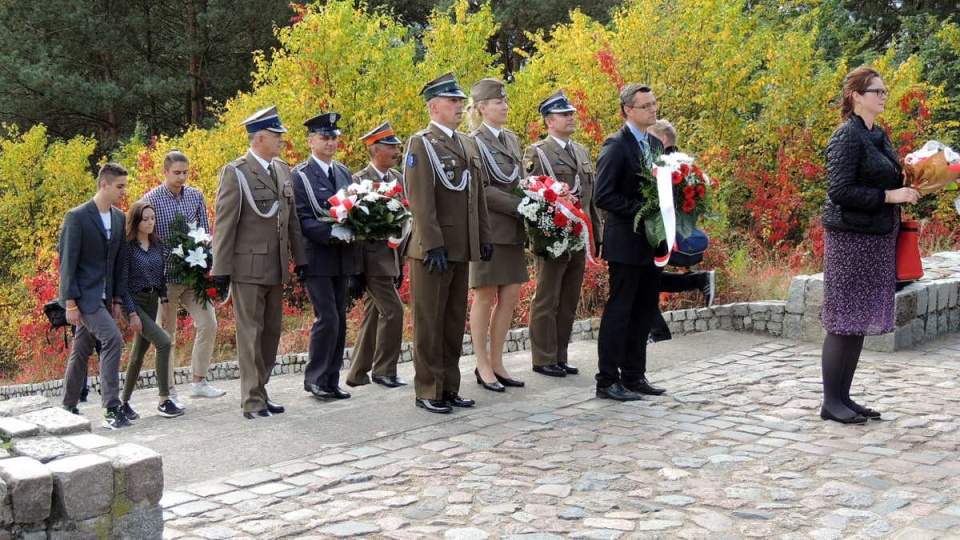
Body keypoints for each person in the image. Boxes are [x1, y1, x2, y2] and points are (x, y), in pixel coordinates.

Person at [819, 66, 919, 424]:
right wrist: (890, 195)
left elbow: (882, 176)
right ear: (856, 96)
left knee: (858, 320)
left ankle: (844, 397)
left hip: (876, 237)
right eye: (877, 91)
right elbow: (839, 191)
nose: (883, 96)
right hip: (850, 239)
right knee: (843, 319)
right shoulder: (846, 136)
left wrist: (911, 179)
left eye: (884, 91)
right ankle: (831, 401)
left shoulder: (878, 133)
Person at [211, 106, 307, 419]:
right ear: (260, 137)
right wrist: (220, 270)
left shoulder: (281, 169)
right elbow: (225, 224)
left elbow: (291, 220)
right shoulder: (236, 171)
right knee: (250, 334)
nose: (281, 139)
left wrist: (300, 258)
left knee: (271, 333)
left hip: (276, 265)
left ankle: (261, 390)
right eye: (277, 134)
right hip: (247, 267)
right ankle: (251, 400)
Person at [404, 72, 492, 414]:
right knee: (430, 322)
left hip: (461, 246)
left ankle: (449, 387)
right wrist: (432, 244)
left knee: (454, 320)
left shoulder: (467, 143)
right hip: (433, 250)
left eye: (460, 101)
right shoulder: (421, 143)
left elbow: (477, 197)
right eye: (452, 101)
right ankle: (429, 389)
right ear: (434, 106)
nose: (459, 106)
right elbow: (420, 199)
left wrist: (483, 236)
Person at [521, 90, 602, 379]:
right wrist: (542, 236)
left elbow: (590, 198)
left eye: (571, 113)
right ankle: (543, 358)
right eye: (564, 114)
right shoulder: (538, 152)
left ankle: (560, 355)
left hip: (579, 234)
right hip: (552, 236)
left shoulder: (580, 151)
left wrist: (596, 233)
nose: (571, 118)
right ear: (548, 120)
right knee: (547, 298)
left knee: (568, 298)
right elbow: (532, 195)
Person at [594, 83, 666, 401]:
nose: (653, 109)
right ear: (628, 110)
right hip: (625, 242)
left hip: (652, 242)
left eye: (654, 104)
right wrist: (643, 210)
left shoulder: (654, 143)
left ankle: (635, 376)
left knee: (646, 309)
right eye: (646, 106)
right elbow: (603, 195)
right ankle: (607, 380)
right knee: (620, 311)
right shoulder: (615, 146)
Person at [144, 150, 226, 403]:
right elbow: (147, 239)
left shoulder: (195, 195)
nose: (181, 177)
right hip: (166, 278)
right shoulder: (151, 200)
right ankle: (168, 391)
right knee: (166, 334)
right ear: (165, 172)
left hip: (193, 275)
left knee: (208, 323)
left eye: (185, 172)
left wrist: (205, 258)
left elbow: (204, 229)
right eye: (176, 173)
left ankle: (199, 380)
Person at [292, 112, 362, 401]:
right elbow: (301, 218)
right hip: (317, 257)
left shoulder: (344, 172)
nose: (331, 142)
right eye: (324, 137)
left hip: (342, 257)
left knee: (340, 320)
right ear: (311, 140)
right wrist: (332, 233)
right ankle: (315, 378)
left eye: (334, 137)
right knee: (328, 318)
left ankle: (331, 380)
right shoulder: (300, 175)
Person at [58, 163, 132, 429]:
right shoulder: (77, 217)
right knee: (113, 339)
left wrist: (116, 300)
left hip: (105, 297)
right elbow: (67, 263)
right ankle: (112, 409)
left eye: (125, 186)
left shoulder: (119, 218)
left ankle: (67, 405)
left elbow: (119, 263)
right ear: (104, 185)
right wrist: (70, 304)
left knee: (81, 350)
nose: (124, 191)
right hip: (84, 297)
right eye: (120, 186)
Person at [467, 78, 527, 393]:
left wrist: (538, 197)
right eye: (497, 102)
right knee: (485, 295)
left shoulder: (511, 140)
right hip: (489, 230)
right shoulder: (473, 141)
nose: (504, 106)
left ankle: (497, 361)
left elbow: (518, 178)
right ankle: (481, 364)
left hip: (513, 230)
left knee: (510, 296)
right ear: (481, 107)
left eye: (505, 101)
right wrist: (522, 205)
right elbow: (481, 189)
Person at [345, 121, 408, 389]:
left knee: (373, 315)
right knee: (394, 311)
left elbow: (405, 222)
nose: (396, 151)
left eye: (396, 146)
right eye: (391, 146)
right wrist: (356, 271)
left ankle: (357, 373)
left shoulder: (399, 178)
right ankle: (384, 371)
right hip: (369, 262)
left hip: (391, 260)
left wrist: (401, 262)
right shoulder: (359, 181)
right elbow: (354, 229)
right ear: (375, 149)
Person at [645, 119, 715, 343]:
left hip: (656, 231)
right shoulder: (685, 165)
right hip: (665, 230)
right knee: (649, 279)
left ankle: (659, 333)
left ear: (662, 139)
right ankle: (698, 280)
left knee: (642, 282)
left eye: (650, 137)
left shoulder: (665, 166)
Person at [118, 201, 184, 420]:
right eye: (144, 219)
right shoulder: (127, 247)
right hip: (133, 301)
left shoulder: (156, 244)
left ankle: (123, 402)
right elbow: (122, 283)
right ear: (135, 221)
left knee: (138, 353)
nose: (149, 223)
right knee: (164, 342)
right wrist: (132, 314)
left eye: (152, 219)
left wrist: (165, 304)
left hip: (152, 298)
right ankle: (164, 400)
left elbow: (162, 278)